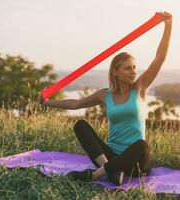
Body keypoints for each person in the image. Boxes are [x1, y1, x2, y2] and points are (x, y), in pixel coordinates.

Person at [40, 11, 172, 185]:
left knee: (142, 145)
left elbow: (160, 58)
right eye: (127, 68)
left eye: (134, 67)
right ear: (115, 72)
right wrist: (48, 102)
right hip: (110, 156)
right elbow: (76, 103)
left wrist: (168, 25)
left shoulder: (139, 89)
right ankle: (110, 170)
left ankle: (97, 174)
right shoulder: (104, 95)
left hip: (136, 162)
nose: (133, 71)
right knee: (80, 125)